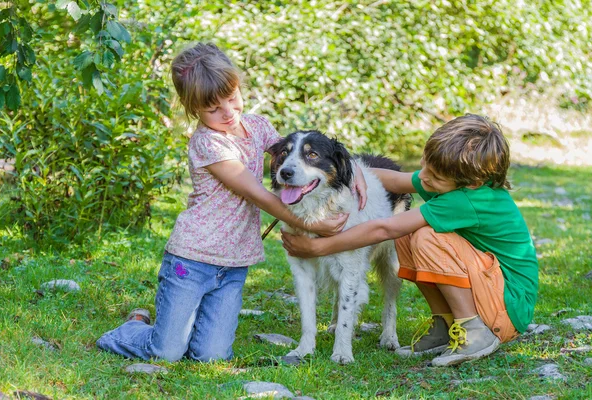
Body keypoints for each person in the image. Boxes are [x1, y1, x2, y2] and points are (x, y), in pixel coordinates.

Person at [96, 42, 367, 362]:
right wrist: (312, 224)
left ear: (239, 86)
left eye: (232, 98)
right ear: (192, 108)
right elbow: (259, 194)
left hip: (233, 265)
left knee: (210, 356)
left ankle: (182, 327)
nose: (228, 112)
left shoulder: (257, 126)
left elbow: (293, 161)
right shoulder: (208, 143)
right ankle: (131, 330)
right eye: (213, 108)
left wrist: (355, 171)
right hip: (191, 260)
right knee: (166, 352)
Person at [281, 114, 539, 366]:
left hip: (506, 306)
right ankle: (446, 324)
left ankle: (474, 330)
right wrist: (354, 171)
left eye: (435, 177)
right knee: (410, 234)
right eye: (425, 165)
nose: (424, 177)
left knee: (423, 235)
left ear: (473, 182)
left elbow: (383, 229)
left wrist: (318, 246)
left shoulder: (468, 199)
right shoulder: (454, 181)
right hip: (491, 289)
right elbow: (396, 179)